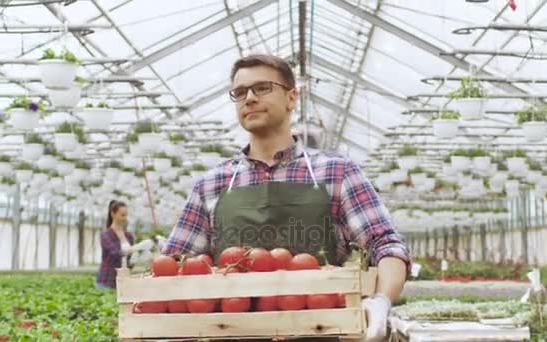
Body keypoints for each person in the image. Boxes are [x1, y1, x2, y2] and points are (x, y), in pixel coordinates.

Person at [161, 54, 412, 342]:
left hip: (323, 333)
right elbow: (174, 264)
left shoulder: (336, 172)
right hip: (231, 334)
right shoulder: (211, 184)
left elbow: (387, 244)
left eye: (262, 88)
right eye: (240, 92)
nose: (250, 98)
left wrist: (381, 300)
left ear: (292, 98)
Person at [96, 200, 154, 289]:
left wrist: (139, 254)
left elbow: (130, 261)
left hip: (123, 280)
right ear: (113, 214)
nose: (125, 218)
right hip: (107, 281)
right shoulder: (106, 235)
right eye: (122, 215)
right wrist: (135, 248)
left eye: (126, 215)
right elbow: (115, 253)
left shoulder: (129, 236)